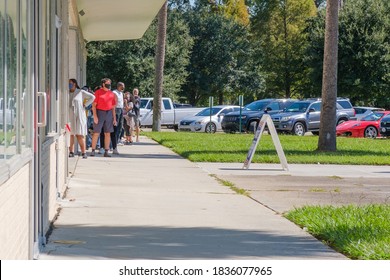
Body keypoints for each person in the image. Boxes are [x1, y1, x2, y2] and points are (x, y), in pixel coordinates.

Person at [68, 79, 95, 159]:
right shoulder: (66, 92)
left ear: (75, 84)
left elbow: (92, 97)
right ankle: (71, 151)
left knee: (79, 134)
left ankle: (84, 152)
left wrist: (85, 104)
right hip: (69, 115)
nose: (69, 85)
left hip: (79, 115)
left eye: (71, 83)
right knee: (71, 134)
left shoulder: (80, 92)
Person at [90, 78, 117, 157]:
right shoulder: (98, 92)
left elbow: (113, 108)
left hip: (108, 113)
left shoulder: (111, 94)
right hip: (99, 112)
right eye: (107, 83)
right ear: (103, 84)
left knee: (107, 133)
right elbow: (94, 106)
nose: (109, 85)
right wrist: (95, 116)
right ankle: (93, 150)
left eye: (110, 83)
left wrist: (114, 119)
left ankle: (106, 151)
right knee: (96, 132)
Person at [113, 82, 125, 149]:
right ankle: (113, 142)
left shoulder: (121, 93)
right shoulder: (114, 92)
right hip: (116, 109)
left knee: (120, 126)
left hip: (121, 109)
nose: (123, 87)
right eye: (122, 86)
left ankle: (117, 140)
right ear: (119, 86)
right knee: (116, 126)